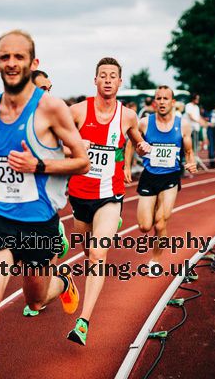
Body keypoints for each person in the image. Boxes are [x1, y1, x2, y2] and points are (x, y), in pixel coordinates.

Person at [0, 29, 89, 379]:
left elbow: (82, 161)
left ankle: (61, 282)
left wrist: (38, 165)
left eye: (19, 57)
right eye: (5, 57)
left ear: (33, 63)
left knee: (35, 300)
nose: (11, 62)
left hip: (38, 225)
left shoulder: (51, 108)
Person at [67, 57, 150, 346]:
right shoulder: (77, 111)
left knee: (98, 256)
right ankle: (68, 285)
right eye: (102, 75)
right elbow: (57, 141)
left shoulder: (127, 115)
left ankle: (83, 321)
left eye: (112, 76)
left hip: (110, 194)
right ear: (95, 80)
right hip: (79, 194)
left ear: (119, 82)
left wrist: (142, 146)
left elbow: (136, 139)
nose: (107, 80)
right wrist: (76, 145)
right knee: (85, 250)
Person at [125, 86, 197, 276]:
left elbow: (189, 151)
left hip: (170, 177)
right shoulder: (144, 123)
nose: (162, 102)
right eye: (159, 98)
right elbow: (130, 142)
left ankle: (155, 261)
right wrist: (126, 167)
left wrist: (191, 163)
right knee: (144, 226)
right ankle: (155, 213)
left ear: (173, 103)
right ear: (155, 102)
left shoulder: (183, 125)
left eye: (166, 98)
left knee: (160, 224)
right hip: (149, 177)